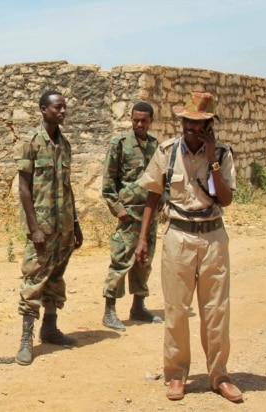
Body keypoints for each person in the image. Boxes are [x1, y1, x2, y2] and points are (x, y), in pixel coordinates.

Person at [134, 92, 243, 403]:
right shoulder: (167, 152)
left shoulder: (221, 154)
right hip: (178, 237)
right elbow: (153, 196)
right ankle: (177, 374)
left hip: (213, 237)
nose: (192, 130)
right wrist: (143, 238)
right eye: (188, 124)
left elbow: (226, 199)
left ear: (210, 126)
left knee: (216, 310)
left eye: (200, 126)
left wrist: (212, 161)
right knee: (177, 310)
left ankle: (219, 375)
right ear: (181, 123)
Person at [13, 90, 84, 366]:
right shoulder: (31, 142)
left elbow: (67, 188)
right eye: (58, 107)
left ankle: (50, 328)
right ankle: (26, 340)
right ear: (43, 109)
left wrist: (75, 223)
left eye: (65, 106)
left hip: (64, 226)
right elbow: (23, 187)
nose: (63, 111)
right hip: (42, 227)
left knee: (56, 278)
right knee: (34, 280)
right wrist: (34, 228)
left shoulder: (64, 144)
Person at [101, 102, 162, 332]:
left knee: (144, 262)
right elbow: (108, 182)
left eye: (144, 120)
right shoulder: (120, 144)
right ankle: (109, 312)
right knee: (121, 261)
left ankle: (138, 306)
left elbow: (160, 179)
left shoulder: (156, 146)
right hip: (129, 214)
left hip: (150, 213)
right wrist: (118, 209)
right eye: (136, 120)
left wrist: (162, 201)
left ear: (150, 121)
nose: (139, 124)